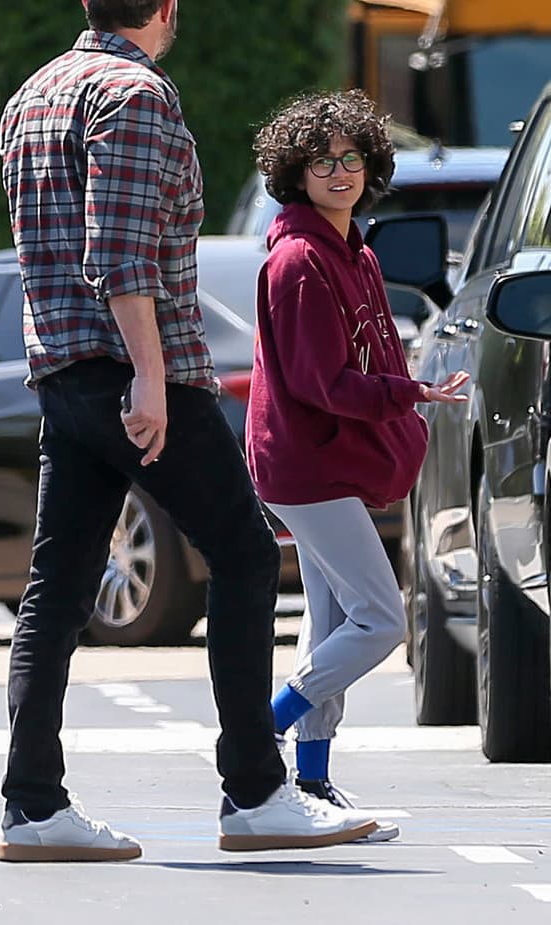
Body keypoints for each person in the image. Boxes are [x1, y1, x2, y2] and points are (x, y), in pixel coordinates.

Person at [0, 0, 380, 863]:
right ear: (166, 6)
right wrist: (153, 383)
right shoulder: (135, 96)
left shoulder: (31, 95)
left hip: (60, 375)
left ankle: (33, 806)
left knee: (55, 592)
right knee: (246, 555)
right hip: (131, 375)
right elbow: (119, 255)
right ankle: (254, 790)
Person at [246, 89, 468, 841]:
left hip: (331, 464)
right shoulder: (301, 261)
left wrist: (407, 395)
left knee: (331, 620)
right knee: (380, 619)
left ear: (370, 164)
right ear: (294, 172)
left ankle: (310, 780)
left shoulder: (355, 250)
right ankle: (254, 737)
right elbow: (321, 383)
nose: (339, 172)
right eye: (321, 161)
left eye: (350, 158)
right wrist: (412, 393)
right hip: (307, 467)